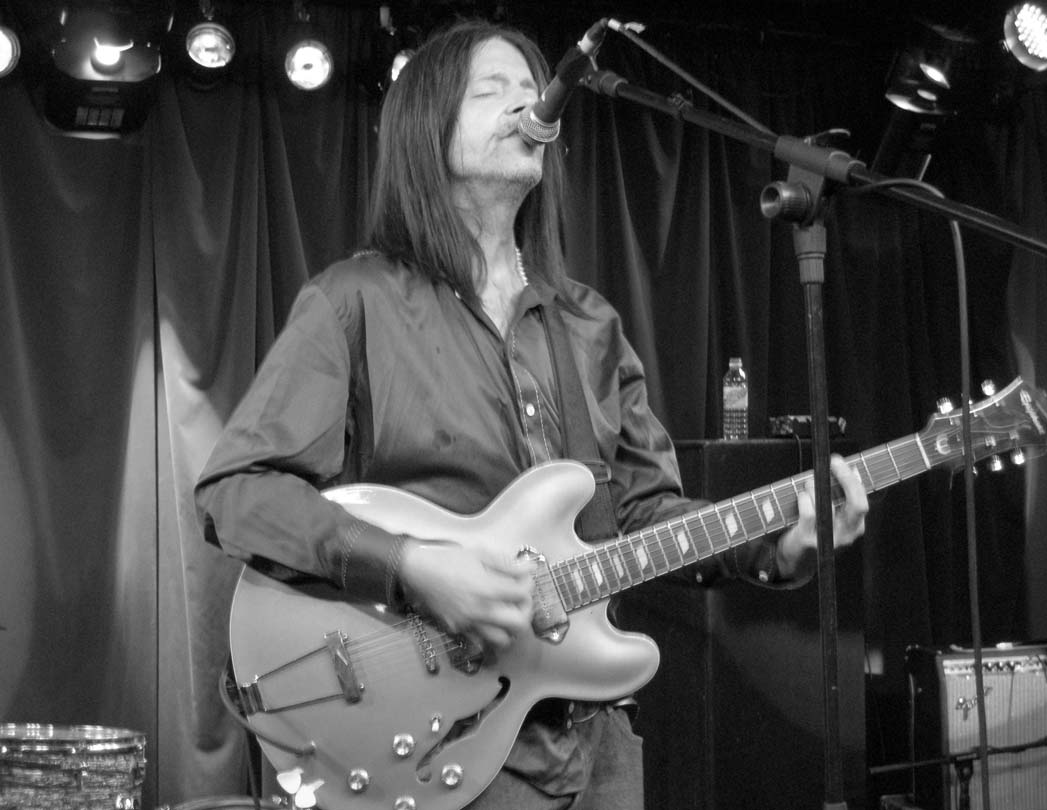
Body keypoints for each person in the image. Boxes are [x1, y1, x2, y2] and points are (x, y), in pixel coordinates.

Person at [194, 18, 869, 810]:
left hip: (598, 743)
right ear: (425, 129)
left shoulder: (591, 326)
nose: (527, 102)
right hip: (440, 741)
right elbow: (236, 492)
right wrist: (411, 564)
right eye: (494, 90)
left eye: (531, 87)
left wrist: (779, 546)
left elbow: (645, 514)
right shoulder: (355, 301)